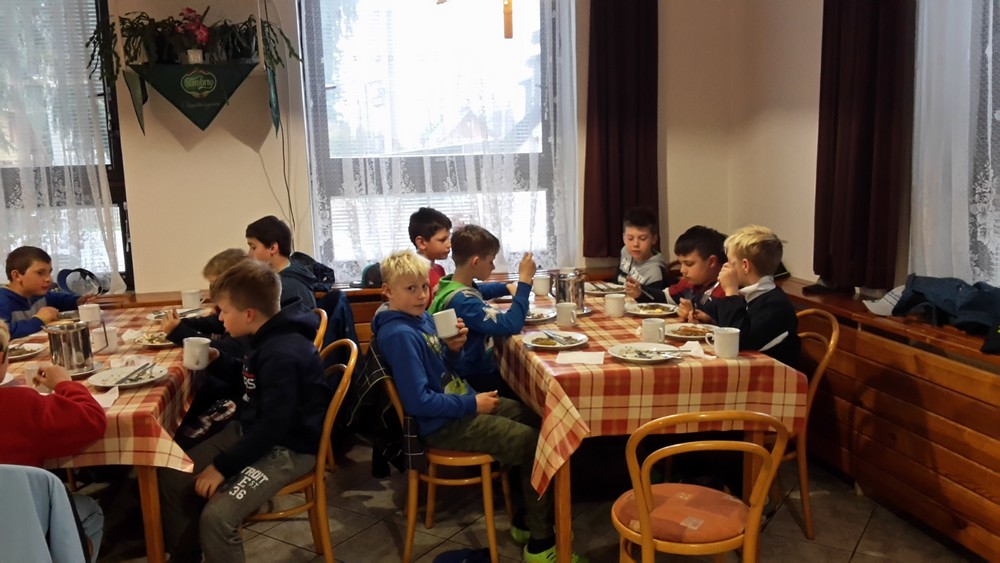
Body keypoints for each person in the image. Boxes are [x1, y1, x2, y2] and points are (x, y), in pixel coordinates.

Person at [372, 251, 584, 563]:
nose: (420, 295)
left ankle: (527, 519)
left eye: (424, 287)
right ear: (388, 291)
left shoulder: (421, 319)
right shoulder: (400, 334)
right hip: (442, 424)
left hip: (460, 404)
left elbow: (445, 370)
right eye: (410, 289)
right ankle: (541, 543)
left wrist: (453, 350)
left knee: (540, 418)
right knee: (533, 444)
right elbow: (418, 402)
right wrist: (472, 403)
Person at [158, 260, 330, 562]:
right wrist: (219, 360)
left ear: (249, 314)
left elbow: (274, 426)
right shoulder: (266, 337)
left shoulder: (282, 353)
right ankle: (186, 556)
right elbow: (252, 380)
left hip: (288, 449)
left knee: (217, 519)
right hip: (255, 430)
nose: (219, 318)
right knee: (171, 476)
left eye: (224, 311)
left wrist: (222, 467)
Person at [0, 320, 106, 561]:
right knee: (90, 511)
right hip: (22, 530)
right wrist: (64, 383)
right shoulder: (21, 404)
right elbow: (92, 420)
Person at [428, 225, 535, 396]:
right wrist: (524, 281)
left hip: (471, 371)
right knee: (526, 391)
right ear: (476, 262)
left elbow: (480, 290)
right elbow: (511, 324)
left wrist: (507, 287)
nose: (493, 267)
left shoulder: (450, 285)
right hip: (472, 377)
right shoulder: (463, 302)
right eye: (491, 261)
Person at [679, 225, 800, 367]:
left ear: (745, 265)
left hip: (771, 375)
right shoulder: (753, 295)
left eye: (731, 263)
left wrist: (731, 290)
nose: (725, 267)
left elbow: (738, 341)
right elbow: (744, 326)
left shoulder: (774, 304)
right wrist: (712, 321)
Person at [1, 246, 94, 339]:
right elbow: (4, 334)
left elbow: (62, 300)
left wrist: (79, 301)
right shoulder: (3, 300)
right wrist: (39, 320)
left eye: (49, 273)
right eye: (40, 273)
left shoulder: (38, 295)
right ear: (17, 276)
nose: (48, 279)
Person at [625, 225, 728, 306]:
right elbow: (666, 297)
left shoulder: (727, 290)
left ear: (711, 262)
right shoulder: (689, 283)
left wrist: (696, 314)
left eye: (689, 264)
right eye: (680, 263)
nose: (682, 270)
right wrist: (640, 292)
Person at [245, 215, 317, 308]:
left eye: (253, 247)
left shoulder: (283, 289)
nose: (249, 254)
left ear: (273, 248)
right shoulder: (294, 271)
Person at [615, 207, 671, 295]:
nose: (635, 244)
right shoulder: (625, 252)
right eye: (630, 238)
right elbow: (616, 282)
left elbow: (655, 301)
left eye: (642, 238)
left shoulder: (655, 272)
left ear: (654, 239)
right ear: (624, 238)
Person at [408, 207, 452, 304]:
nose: (449, 244)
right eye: (442, 240)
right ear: (421, 243)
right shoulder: (414, 274)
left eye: (448, 238)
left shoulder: (439, 269)